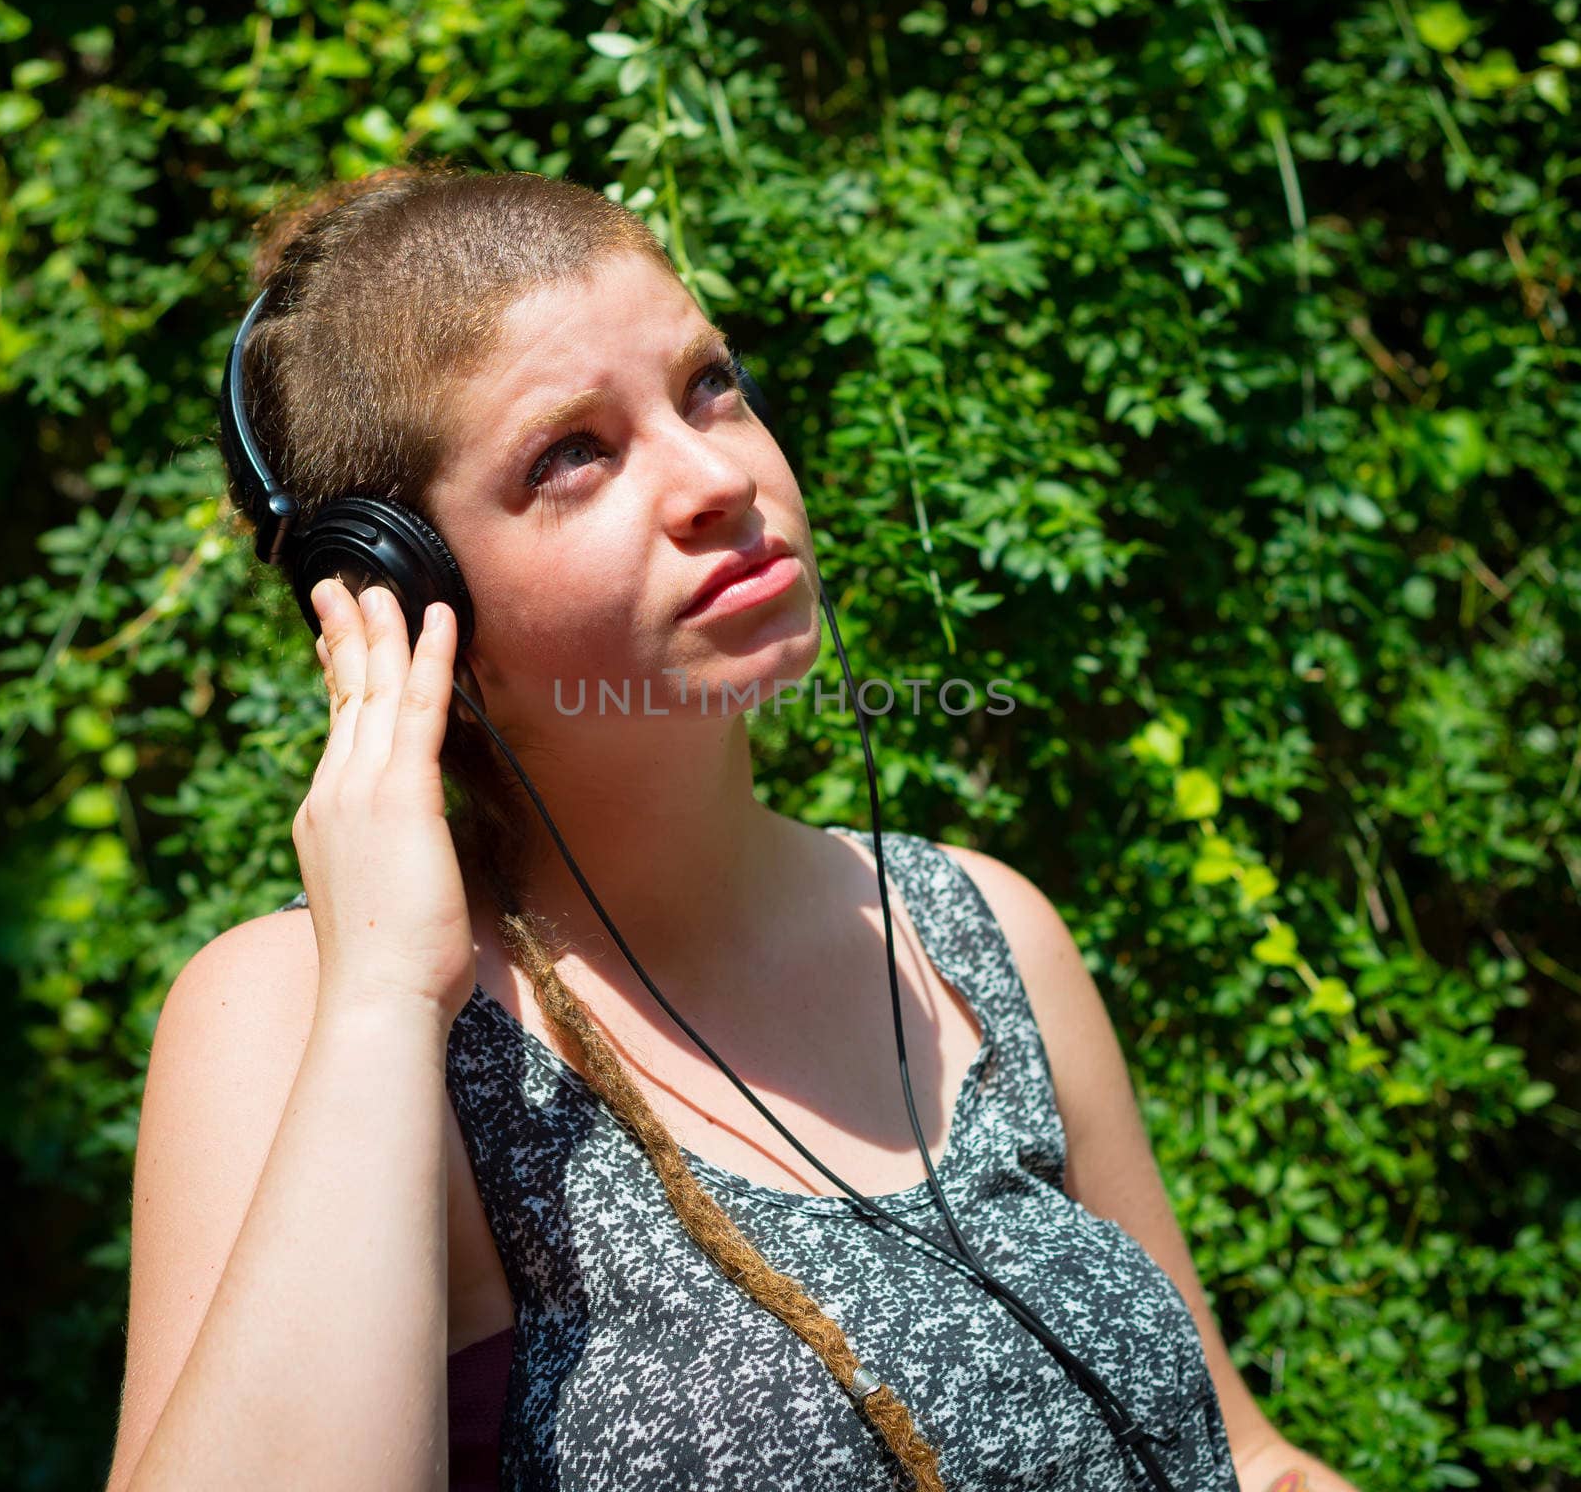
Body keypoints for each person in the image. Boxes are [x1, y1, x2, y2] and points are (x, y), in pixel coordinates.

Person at [103, 165, 1355, 1492]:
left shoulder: (973, 930)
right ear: (404, 595)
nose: (718, 476)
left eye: (710, 384)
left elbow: (1247, 1461)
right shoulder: (303, 1017)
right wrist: (381, 998)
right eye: (571, 454)